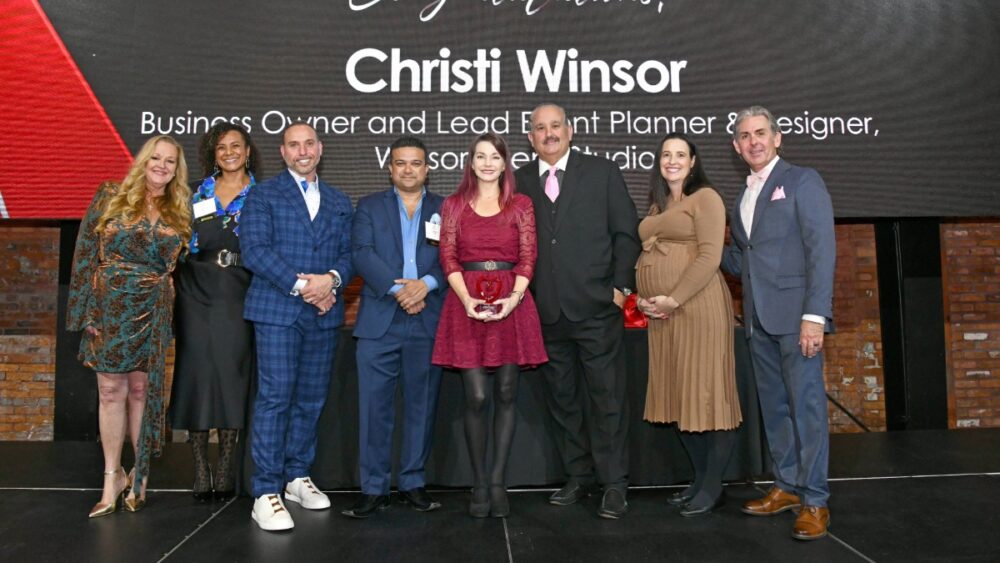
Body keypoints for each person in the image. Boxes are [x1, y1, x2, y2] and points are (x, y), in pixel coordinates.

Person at [514, 103, 641, 519]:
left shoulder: (601, 172)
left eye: (555, 126)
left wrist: (621, 290)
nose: (548, 134)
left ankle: (614, 483)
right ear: (530, 138)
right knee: (563, 401)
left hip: (596, 310)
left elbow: (626, 234)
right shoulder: (519, 181)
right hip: (545, 312)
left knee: (607, 401)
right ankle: (577, 476)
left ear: (570, 131)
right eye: (539, 128)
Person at [720, 106, 836, 540]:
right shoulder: (742, 196)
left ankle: (815, 500)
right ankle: (787, 485)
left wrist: (814, 316)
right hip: (757, 321)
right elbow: (743, 260)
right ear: (736, 146)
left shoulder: (803, 181)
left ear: (777, 137)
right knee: (776, 410)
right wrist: (702, 246)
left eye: (760, 133)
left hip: (796, 319)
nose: (754, 141)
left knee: (806, 410)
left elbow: (821, 250)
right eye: (745, 136)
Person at [66, 135, 191, 517]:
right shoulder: (109, 195)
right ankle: (112, 476)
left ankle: (141, 477)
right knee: (109, 391)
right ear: (143, 160)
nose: (162, 166)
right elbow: (85, 254)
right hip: (109, 305)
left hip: (153, 308)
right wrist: (83, 312)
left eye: (170, 161)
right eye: (156, 157)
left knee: (141, 389)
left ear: (176, 170)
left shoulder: (181, 209)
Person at [240, 122, 354, 531]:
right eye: (294, 145)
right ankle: (265, 490)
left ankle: (296, 476)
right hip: (278, 311)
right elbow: (254, 251)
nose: (302, 151)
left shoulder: (340, 200)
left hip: (323, 313)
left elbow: (349, 254)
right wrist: (305, 285)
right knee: (276, 398)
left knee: (310, 399)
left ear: (320, 149)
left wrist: (332, 282)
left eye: (309, 144)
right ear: (283, 152)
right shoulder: (262, 195)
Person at [432, 132, 548, 518]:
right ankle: (478, 481)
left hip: (512, 300)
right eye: (480, 156)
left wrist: (511, 301)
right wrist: (468, 300)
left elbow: (529, 257)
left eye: (493, 157)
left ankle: (497, 483)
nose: (486, 163)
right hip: (465, 300)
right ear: (471, 162)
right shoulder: (453, 205)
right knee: (477, 396)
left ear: (504, 163)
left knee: (507, 392)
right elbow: (447, 256)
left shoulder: (521, 204)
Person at [635, 133, 742, 517]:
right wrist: (646, 300)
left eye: (680, 154)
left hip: (698, 308)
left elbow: (711, 256)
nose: (673, 160)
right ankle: (699, 480)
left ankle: (713, 487)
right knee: (680, 396)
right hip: (664, 317)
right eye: (666, 155)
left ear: (693, 162)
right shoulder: (658, 205)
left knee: (709, 395)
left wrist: (674, 297)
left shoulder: (706, 198)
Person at [343, 136, 446, 518]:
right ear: (390, 168)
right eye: (400, 163)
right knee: (374, 408)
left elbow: (455, 257)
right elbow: (361, 253)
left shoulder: (446, 209)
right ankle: (373, 488)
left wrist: (426, 285)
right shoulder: (369, 206)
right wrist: (397, 289)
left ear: (427, 168)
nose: (408, 169)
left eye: (415, 163)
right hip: (379, 320)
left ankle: (414, 482)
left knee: (422, 405)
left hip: (428, 317)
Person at [169, 122, 258, 501]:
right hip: (194, 292)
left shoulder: (263, 196)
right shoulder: (193, 195)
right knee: (195, 375)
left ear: (248, 151)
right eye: (221, 148)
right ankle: (200, 468)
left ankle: (225, 467)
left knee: (232, 375)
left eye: (236, 146)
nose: (229, 153)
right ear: (213, 154)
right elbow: (174, 243)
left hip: (239, 291)